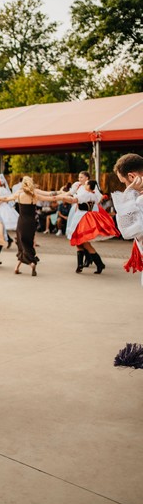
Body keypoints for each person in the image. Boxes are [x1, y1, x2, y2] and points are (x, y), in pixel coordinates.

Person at [111, 153, 143, 369]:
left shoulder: (139, 200)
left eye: (124, 182)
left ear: (132, 177)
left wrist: (128, 193)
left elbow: (128, 230)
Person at [60, 180, 119, 273]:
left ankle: (98, 264)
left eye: (86, 183)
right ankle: (85, 264)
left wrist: (61, 197)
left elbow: (73, 200)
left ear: (88, 186)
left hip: (81, 218)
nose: (84, 184)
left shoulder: (84, 195)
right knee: (81, 242)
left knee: (84, 243)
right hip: (85, 217)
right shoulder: (94, 195)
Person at [5, 176, 58, 276]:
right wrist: (64, 194)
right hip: (31, 222)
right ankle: (16, 268)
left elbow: (6, 198)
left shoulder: (19, 194)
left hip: (22, 221)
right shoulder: (34, 195)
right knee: (27, 243)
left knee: (22, 243)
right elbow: (51, 197)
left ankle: (31, 263)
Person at [0, 174, 18, 247]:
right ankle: (6, 239)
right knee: (0, 226)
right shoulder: (4, 190)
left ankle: (5, 240)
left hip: (0, 208)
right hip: (4, 207)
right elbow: (8, 198)